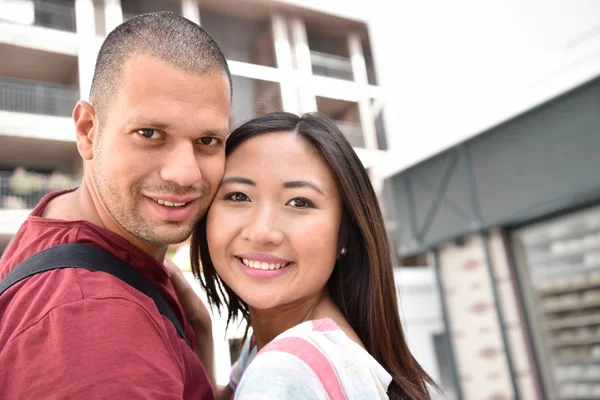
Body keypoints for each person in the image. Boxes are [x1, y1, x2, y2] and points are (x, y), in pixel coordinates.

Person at [0, 12, 231, 399]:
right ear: (88, 131)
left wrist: (198, 335)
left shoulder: (64, 217)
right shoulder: (95, 322)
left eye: (207, 141)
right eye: (150, 133)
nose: (185, 174)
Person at [174, 112, 436, 399]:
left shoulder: (285, 369)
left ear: (345, 233)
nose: (262, 232)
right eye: (239, 196)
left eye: (299, 202)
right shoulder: (310, 349)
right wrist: (200, 327)